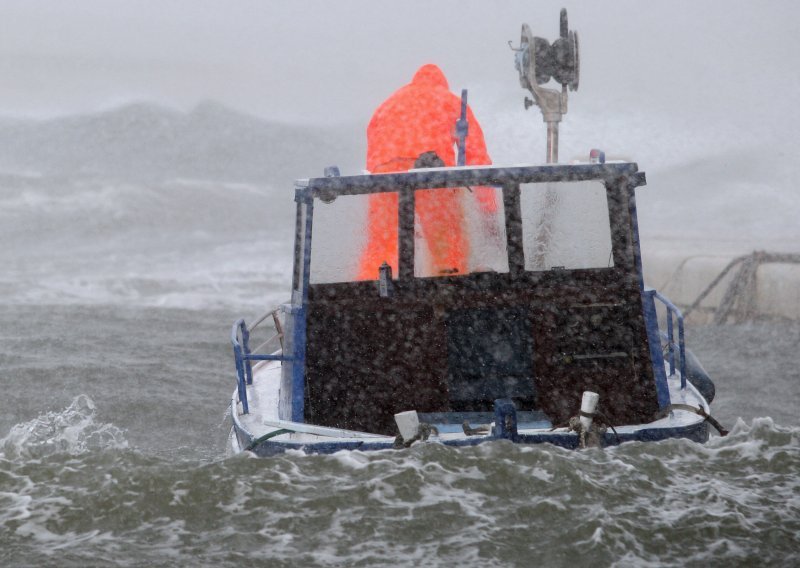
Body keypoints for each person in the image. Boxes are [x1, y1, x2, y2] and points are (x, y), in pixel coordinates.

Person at [357, 64, 498, 280]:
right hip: (432, 175)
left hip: (386, 177)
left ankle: (371, 292)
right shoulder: (450, 101)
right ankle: (449, 286)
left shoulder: (387, 105)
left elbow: (372, 152)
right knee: (448, 241)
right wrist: (488, 210)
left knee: (382, 244)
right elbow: (476, 157)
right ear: (442, 84)